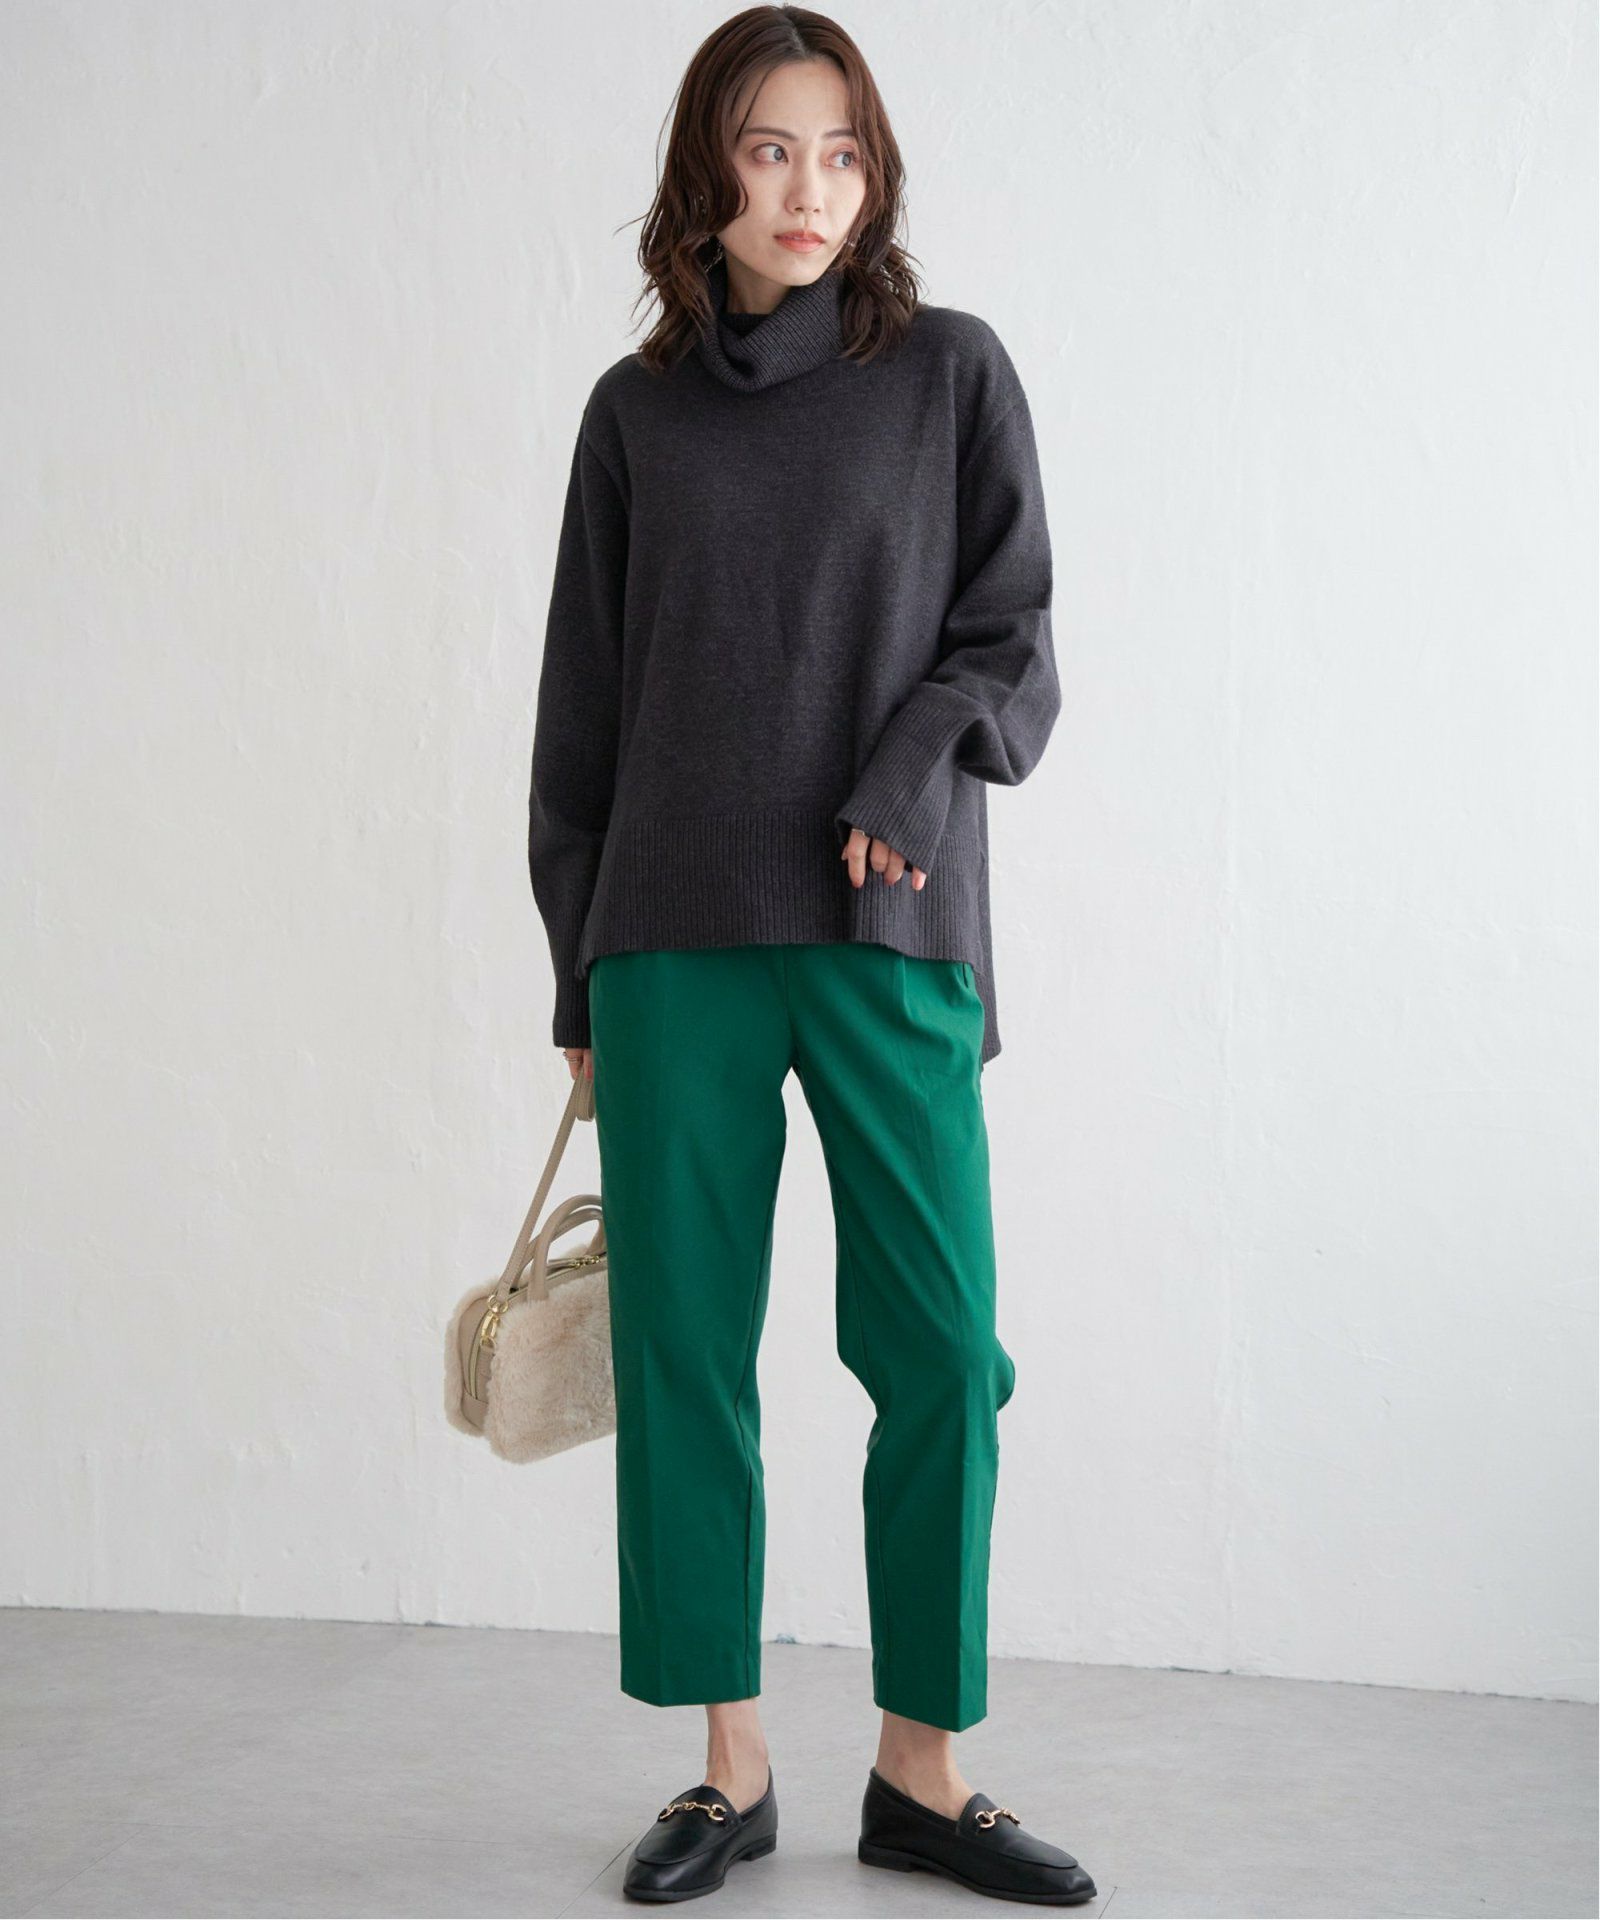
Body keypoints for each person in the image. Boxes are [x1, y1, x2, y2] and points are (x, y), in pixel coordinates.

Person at [527, 4, 1096, 1905]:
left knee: (940, 1350)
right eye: (772, 148)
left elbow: (1012, 633)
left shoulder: (948, 374)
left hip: (886, 921)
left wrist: (912, 763)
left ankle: (925, 1771)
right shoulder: (636, 415)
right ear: (709, 167)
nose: (810, 188)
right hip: (670, 939)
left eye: (842, 151)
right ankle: (729, 1768)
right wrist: (577, 978)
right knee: (688, 1352)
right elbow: (582, 716)